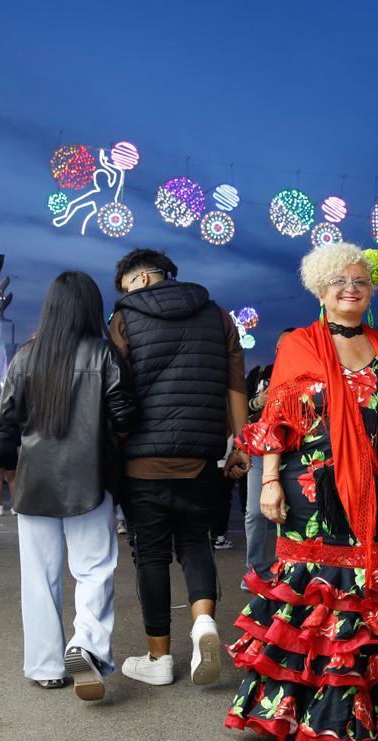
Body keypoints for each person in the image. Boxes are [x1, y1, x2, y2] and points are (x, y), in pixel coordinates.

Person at [224, 242, 378, 741]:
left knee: (365, 586)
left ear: (370, 291)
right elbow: (277, 418)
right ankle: (302, 711)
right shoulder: (299, 343)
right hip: (312, 489)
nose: (350, 289)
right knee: (315, 588)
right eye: (339, 281)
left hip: (375, 489)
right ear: (320, 289)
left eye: (360, 282)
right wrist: (269, 481)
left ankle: (361, 711)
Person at [108, 249, 249, 688]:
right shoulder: (219, 316)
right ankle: (204, 622)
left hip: (142, 463)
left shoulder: (125, 317)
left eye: (127, 285)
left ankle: (159, 657)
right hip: (202, 460)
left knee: (149, 555)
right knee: (195, 542)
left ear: (143, 279)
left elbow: (114, 389)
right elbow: (235, 385)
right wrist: (241, 445)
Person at [1, 271, 134, 699]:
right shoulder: (105, 354)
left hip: (34, 481)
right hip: (90, 479)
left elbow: (7, 416)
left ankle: (44, 665)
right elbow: (125, 416)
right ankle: (87, 649)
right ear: (91, 309)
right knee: (94, 569)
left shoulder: (26, 357)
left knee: (38, 576)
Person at [241, 329, 294, 588]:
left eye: (290, 346)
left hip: (294, 453)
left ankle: (288, 567)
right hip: (260, 450)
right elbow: (244, 406)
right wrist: (257, 402)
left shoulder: (307, 372)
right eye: (279, 346)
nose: (283, 350)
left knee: (290, 513)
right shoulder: (261, 373)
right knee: (254, 512)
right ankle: (255, 570)